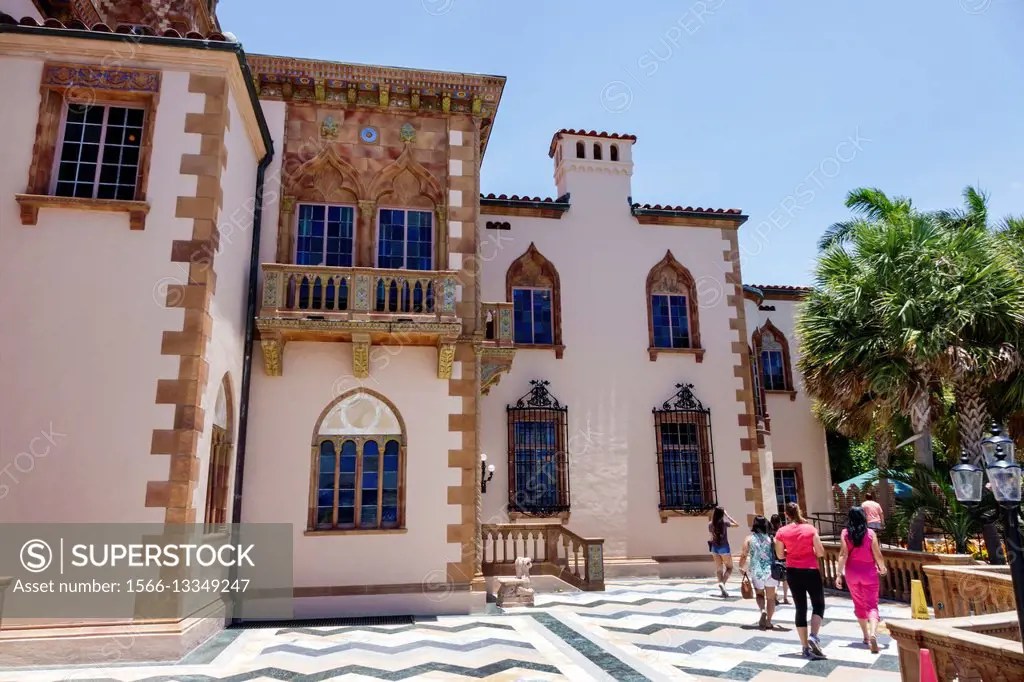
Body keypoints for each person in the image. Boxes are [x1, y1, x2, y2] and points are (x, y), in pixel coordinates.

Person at [775, 502, 827, 660]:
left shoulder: (781, 532)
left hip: (793, 572)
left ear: (786, 514)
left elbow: (780, 555)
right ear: (799, 511)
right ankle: (814, 636)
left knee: (800, 607)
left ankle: (804, 647)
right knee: (818, 604)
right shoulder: (810, 529)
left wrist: (791, 551)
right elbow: (820, 552)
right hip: (811, 570)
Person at [835, 506, 888, 653]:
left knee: (858, 604)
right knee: (872, 605)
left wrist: (839, 574)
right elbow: (877, 554)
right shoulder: (870, 533)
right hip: (869, 572)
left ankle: (865, 636)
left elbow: (843, 555)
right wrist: (882, 568)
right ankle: (873, 634)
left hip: (852, 572)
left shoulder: (845, 533)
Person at [739, 515, 777, 629]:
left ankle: (763, 610)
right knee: (771, 598)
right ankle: (769, 621)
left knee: (759, 594)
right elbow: (778, 553)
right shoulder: (771, 538)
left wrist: (741, 566)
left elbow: (744, 554)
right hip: (770, 570)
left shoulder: (749, 539)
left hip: (756, 571)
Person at [708, 506, 739, 597]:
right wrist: (727, 515)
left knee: (719, 569)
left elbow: (711, 535)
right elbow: (736, 524)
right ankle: (723, 583)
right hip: (724, 548)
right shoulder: (724, 524)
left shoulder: (710, 524)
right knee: (729, 568)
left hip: (714, 548)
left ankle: (722, 590)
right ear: (722, 515)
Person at [769, 513, 790, 605]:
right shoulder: (781, 532)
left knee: (775, 577)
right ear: (779, 521)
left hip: (773, 557)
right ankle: (785, 598)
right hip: (783, 556)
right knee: (785, 579)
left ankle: (775, 595)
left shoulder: (769, 533)